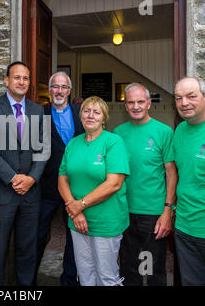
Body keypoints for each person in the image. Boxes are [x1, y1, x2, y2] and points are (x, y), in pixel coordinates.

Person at [0, 61, 48, 286]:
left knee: (28, 248)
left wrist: (32, 178)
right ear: (7, 80)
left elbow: (43, 148)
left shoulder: (38, 110)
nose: (22, 82)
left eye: (26, 78)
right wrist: (11, 177)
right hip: (3, 191)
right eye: (17, 77)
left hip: (31, 193)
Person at [58, 96, 130, 286]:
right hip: (77, 221)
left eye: (96, 112)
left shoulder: (114, 142)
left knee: (107, 277)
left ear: (104, 118)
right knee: (85, 274)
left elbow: (114, 183)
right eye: (86, 111)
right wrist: (76, 211)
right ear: (80, 115)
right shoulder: (73, 143)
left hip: (106, 221)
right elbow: (62, 179)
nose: (90, 115)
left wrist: (80, 205)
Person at [114, 83, 178, 286]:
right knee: (127, 265)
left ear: (149, 103)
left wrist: (168, 210)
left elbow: (171, 173)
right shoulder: (118, 133)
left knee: (150, 267)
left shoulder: (163, 132)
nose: (136, 106)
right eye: (131, 102)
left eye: (140, 101)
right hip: (124, 211)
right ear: (126, 105)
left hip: (152, 213)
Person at [35, 72, 84, 286]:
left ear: (69, 91)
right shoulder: (38, 114)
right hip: (45, 188)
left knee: (75, 238)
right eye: (55, 87)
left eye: (64, 87)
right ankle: (29, 281)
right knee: (36, 236)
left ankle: (69, 280)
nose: (59, 91)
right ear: (50, 90)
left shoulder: (82, 112)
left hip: (75, 189)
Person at [172, 77, 205, 286]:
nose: (184, 103)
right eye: (178, 98)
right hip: (184, 228)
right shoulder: (180, 130)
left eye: (191, 96)